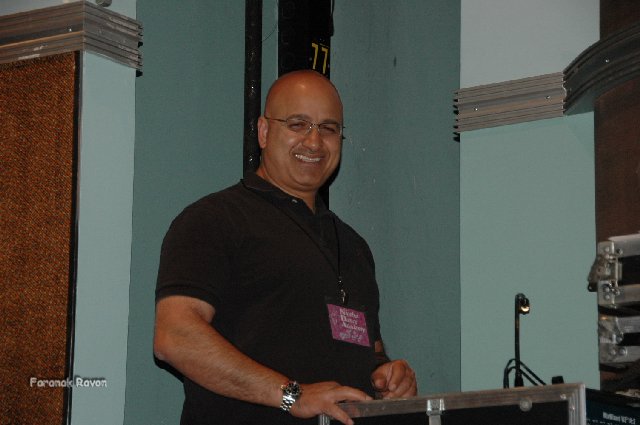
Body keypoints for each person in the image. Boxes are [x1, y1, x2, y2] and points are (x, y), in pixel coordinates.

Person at [153, 70, 417, 425]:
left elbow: (371, 351)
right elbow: (175, 337)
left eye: (328, 128)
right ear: (263, 132)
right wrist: (292, 395)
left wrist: (387, 376)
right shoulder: (215, 219)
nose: (314, 142)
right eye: (297, 124)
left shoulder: (354, 246)